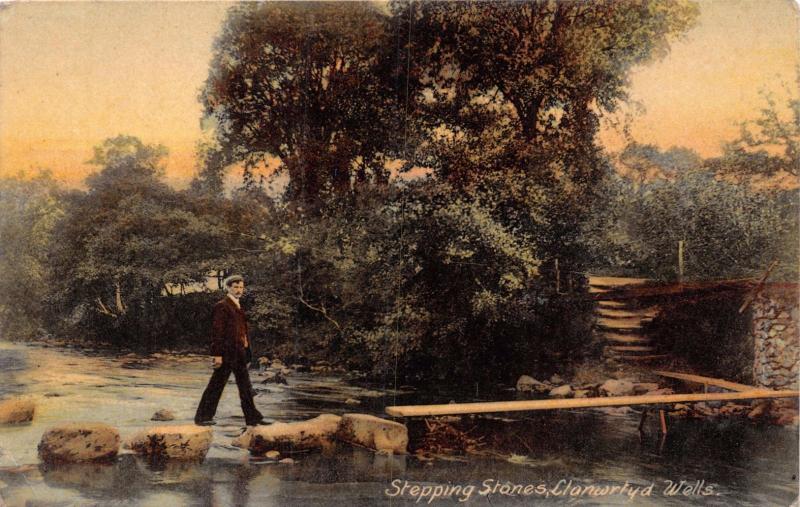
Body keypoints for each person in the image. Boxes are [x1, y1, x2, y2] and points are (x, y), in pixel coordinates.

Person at [194, 275, 265, 426]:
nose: (239, 290)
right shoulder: (222, 305)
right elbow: (217, 332)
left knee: (245, 386)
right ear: (228, 288)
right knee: (216, 385)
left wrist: (246, 350)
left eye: (241, 287)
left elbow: (242, 332)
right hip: (226, 354)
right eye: (235, 287)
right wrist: (217, 355)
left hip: (239, 353)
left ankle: (253, 418)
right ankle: (202, 417)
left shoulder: (237, 306)